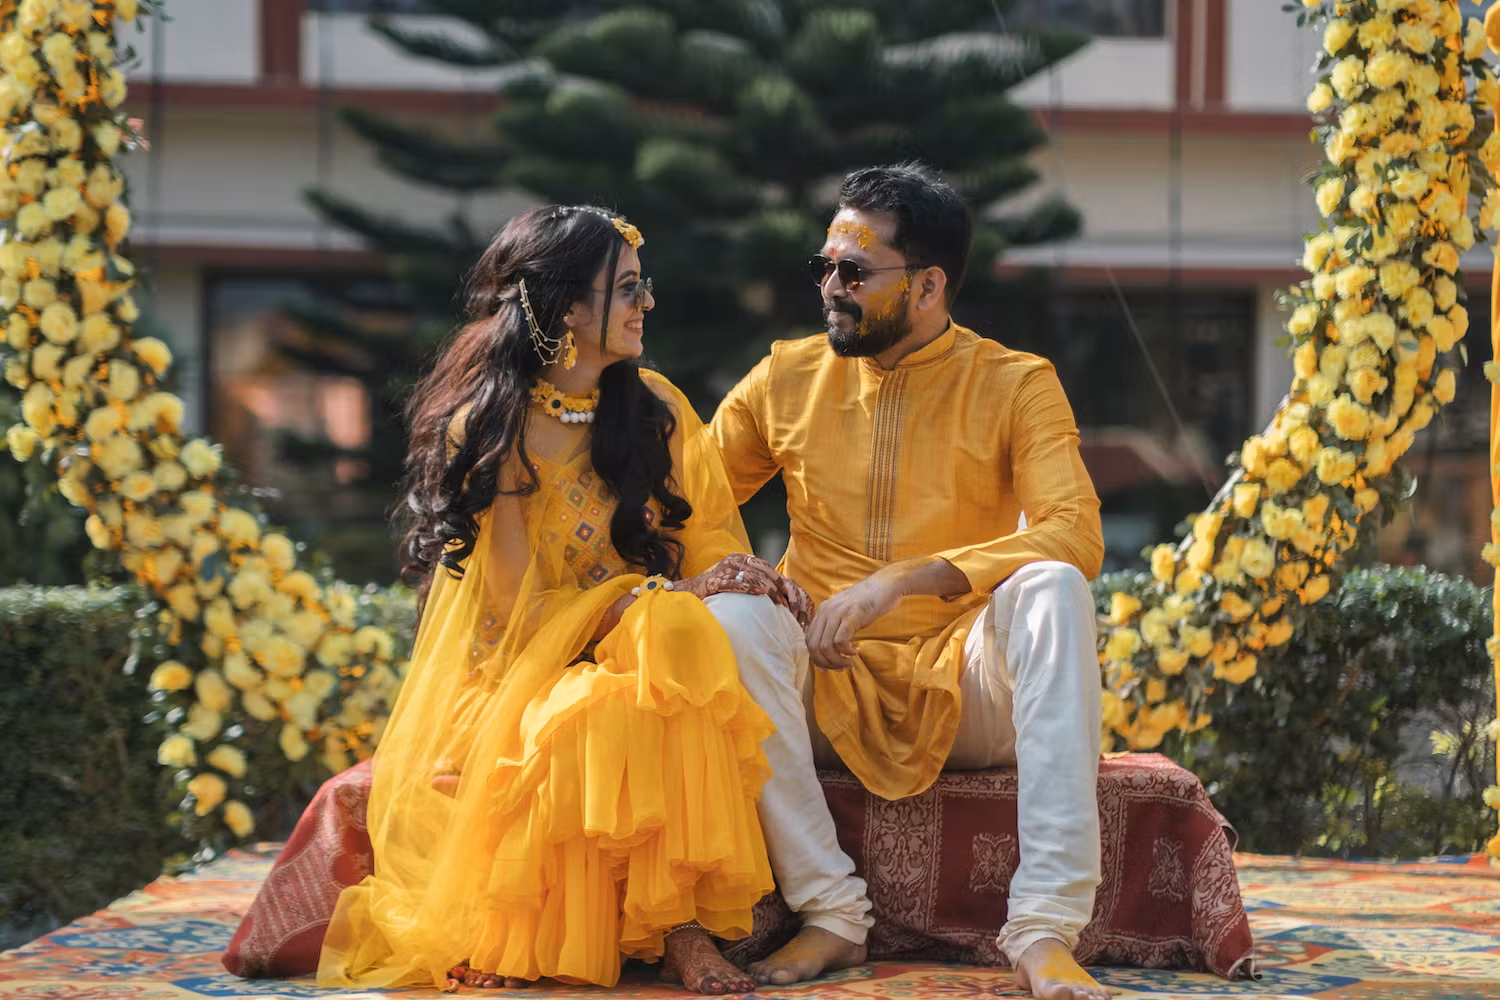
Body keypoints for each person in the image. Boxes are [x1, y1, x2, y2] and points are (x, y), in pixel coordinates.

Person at [318, 205, 808, 995]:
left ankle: (681, 930)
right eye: (627, 290)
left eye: (643, 289)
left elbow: (715, 541)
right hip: (522, 669)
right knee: (622, 688)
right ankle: (656, 930)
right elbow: (515, 614)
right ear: (567, 309)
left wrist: (724, 585)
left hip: (648, 651)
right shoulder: (493, 428)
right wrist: (652, 601)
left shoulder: (657, 408)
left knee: (671, 647)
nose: (646, 305)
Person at [708, 164, 1110, 1000]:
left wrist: (904, 582)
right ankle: (831, 913)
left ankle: (1042, 929)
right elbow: (685, 502)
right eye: (826, 267)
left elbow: (1073, 533)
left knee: (1055, 590)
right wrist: (736, 576)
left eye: (855, 273)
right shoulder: (786, 376)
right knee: (736, 621)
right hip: (823, 678)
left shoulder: (1015, 382)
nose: (831, 288)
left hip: (964, 684)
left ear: (929, 286)